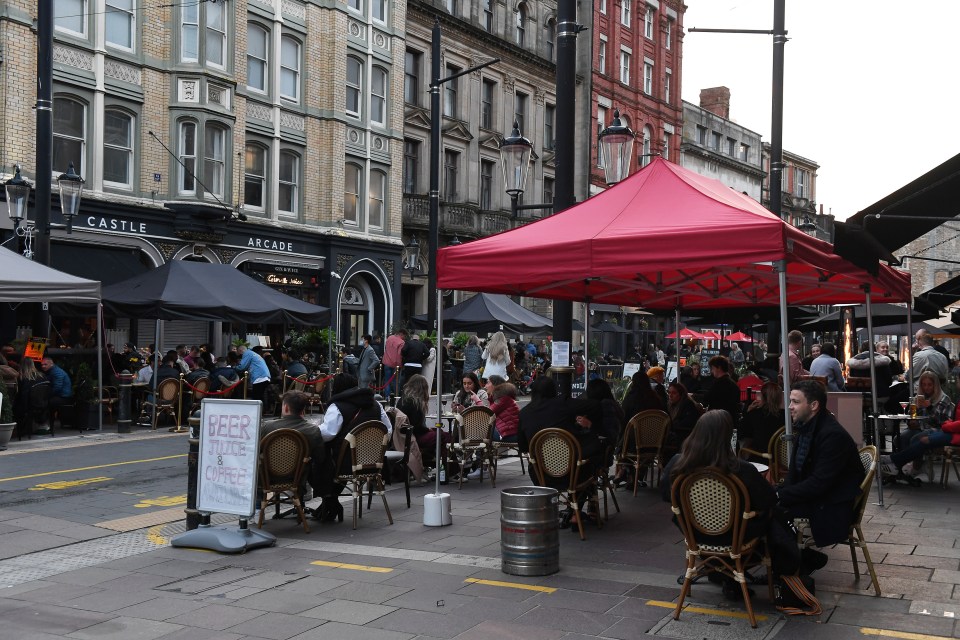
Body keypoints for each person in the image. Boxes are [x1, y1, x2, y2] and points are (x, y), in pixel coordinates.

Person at [661, 410, 776, 598]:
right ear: (727, 437)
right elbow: (768, 499)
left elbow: (666, 495)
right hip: (736, 537)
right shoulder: (741, 469)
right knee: (769, 518)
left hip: (695, 534)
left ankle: (718, 570)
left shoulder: (678, 464)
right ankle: (731, 574)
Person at [779, 380, 865, 551]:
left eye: (795, 402)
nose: (790, 406)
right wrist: (778, 492)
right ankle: (795, 562)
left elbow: (819, 484)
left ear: (814, 405)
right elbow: (795, 473)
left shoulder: (832, 436)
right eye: (790, 401)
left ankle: (791, 565)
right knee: (763, 506)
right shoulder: (807, 427)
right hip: (819, 497)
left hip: (830, 506)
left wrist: (779, 495)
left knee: (767, 514)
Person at [317, 372, 392, 522]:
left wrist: (315, 428)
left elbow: (327, 434)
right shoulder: (376, 405)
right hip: (373, 463)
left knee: (317, 459)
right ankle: (330, 503)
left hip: (345, 463)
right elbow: (388, 430)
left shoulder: (337, 407)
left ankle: (330, 502)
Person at [881, 371, 955, 479]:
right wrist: (912, 421)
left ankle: (908, 464)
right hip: (921, 428)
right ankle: (905, 467)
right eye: (923, 385)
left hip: (938, 429)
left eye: (929, 385)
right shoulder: (919, 397)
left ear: (935, 385)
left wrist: (929, 407)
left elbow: (943, 422)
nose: (926, 388)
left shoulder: (943, 399)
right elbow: (914, 416)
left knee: (916, 438)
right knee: (900, 438)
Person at [260, 391, 327, 503]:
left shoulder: (267, 427)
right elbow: (320, 457)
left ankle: (258, 506)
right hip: (297, 478)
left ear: (285, 407)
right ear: (303, 410)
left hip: (267, 477)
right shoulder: (312, 430)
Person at [738, 382, 784, 460]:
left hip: (760, 457)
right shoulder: (786, 416)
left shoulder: (754, 414)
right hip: (782, 459)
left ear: (762, 397)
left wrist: (747, 412)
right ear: (779, 398)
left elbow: (740, 434)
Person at [14, 358, 49, 435]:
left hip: (30, 406)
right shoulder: (42, 376)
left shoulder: (23, 378)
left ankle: (18, 429)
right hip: (44, 404)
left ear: (22, 366)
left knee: (14, 406)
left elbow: (23, 396)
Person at [666, 381, 702, 449]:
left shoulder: (688, 405)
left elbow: (687, 423)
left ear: (681, 394)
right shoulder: (670, 405)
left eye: (674, 393)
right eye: (669, 392)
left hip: (684, 437)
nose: (670, 395)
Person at [704, 355, 740, 422]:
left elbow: (707, 398)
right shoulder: (734, 384)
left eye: (712, 368)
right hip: (730, 420)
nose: (712, 371)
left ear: (719, 368)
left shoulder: (718, 383)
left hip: (717, 420)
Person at [382, 328, 407, 399]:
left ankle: (387, 397)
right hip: (395, 364)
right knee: (396, 381)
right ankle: (395, 396)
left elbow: (386, 348)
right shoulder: (402, 342)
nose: (404, 338)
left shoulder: (389, 338)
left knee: (387, 380)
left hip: (386, 362)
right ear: (402, 334)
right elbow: (399, 355)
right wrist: (400, 365)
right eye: (404, 336)